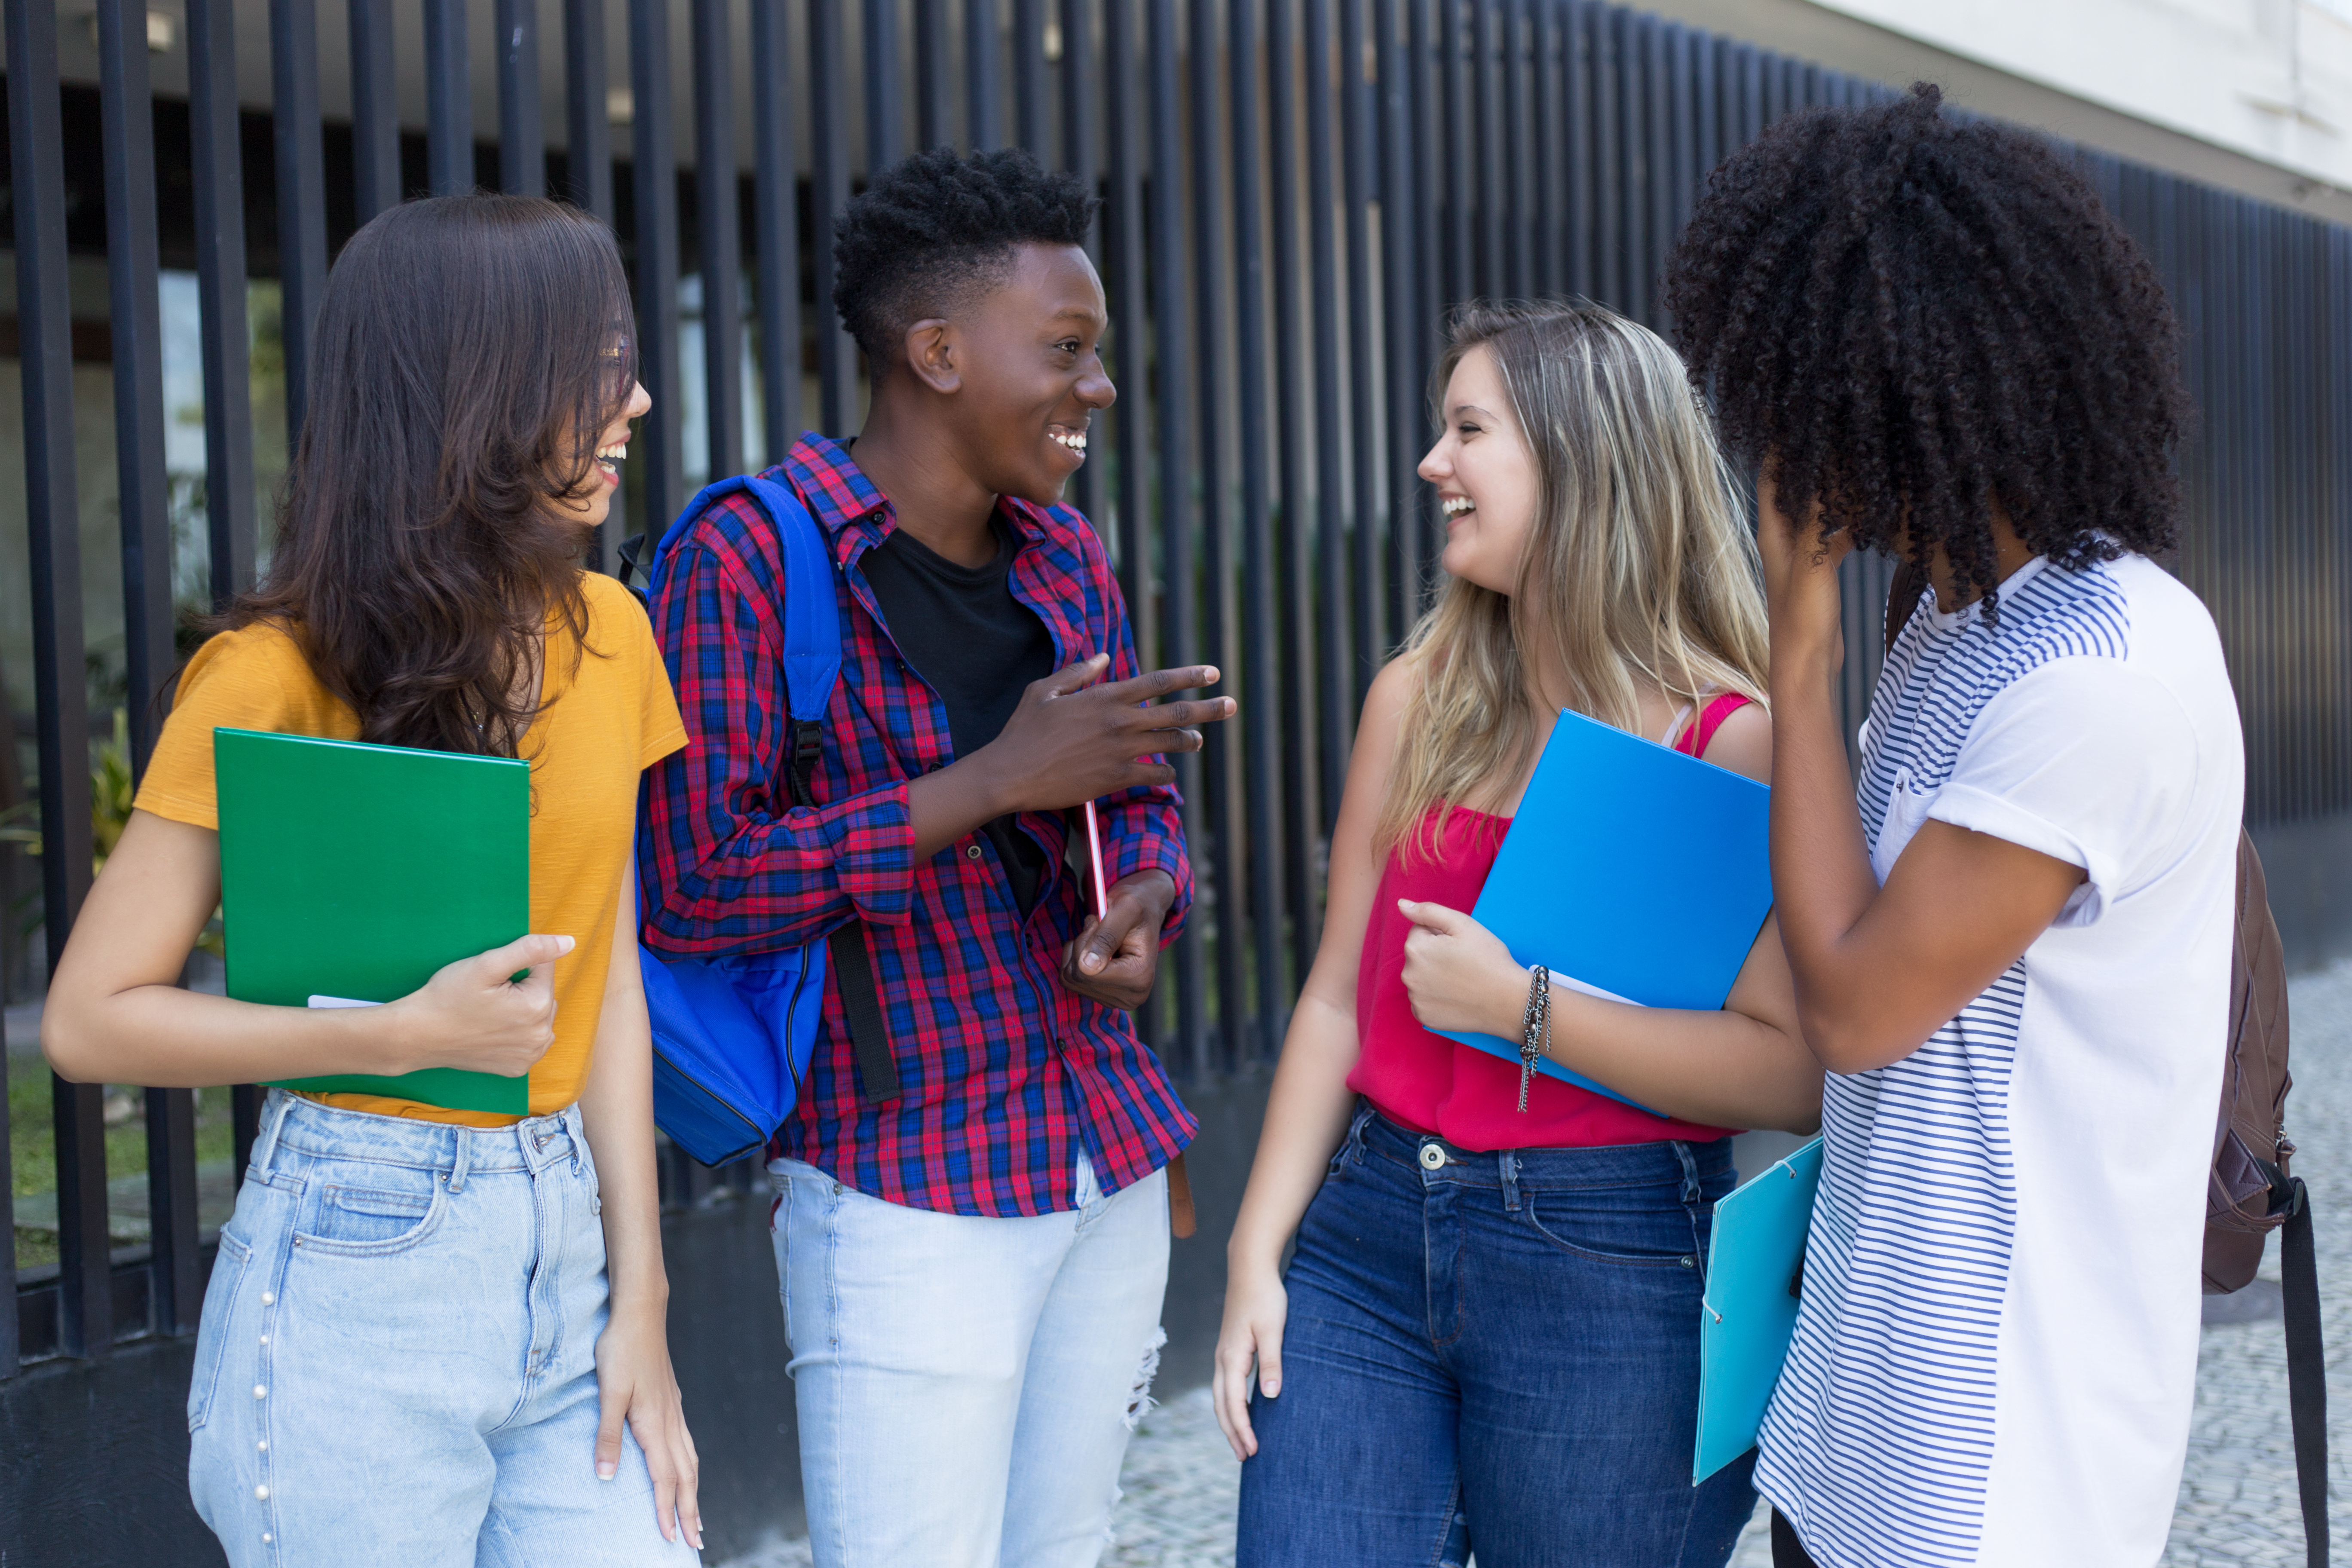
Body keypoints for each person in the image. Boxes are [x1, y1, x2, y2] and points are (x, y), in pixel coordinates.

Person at [40, 194, 701, 1565]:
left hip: (565, 1241)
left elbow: (611, 974)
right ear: (483, 388)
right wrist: (404, 1034)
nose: (635, 398)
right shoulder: (274, 672)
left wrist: (642, 1296)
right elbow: (91, 1015)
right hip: (355, 1258)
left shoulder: (617, 636)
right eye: (597, 365)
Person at [1663, 85, 2242, 1568]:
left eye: (1799, 406)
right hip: (1862, 1411)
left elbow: (1853, 1009)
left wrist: (1799, 650)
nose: (1776, 454)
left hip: (2000, 1469)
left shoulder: (2100, 674)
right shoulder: (1962, 622)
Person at [637, 146, 1234, 1568]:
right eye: (1070, 350)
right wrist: (981, 784)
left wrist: (1144, 892)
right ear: (939, 351)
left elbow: (1133, 796)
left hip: (1106, 1156)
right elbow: (696, 881)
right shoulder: (748, 554)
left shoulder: (1064, 558)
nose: (1098, 387)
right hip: (908, 1184)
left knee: (1068, 1550)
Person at [1214, 299, 1825, 1568]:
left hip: (1611, 1264)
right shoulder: (1417, 698)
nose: (1434, 464)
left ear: (1582, 457)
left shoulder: (1727, 738)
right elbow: (1335, 997)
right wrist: (1256, 1247)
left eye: (1468, 431)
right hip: (1365, 1238)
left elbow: (1791, 1069)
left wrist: (1521, 1009)